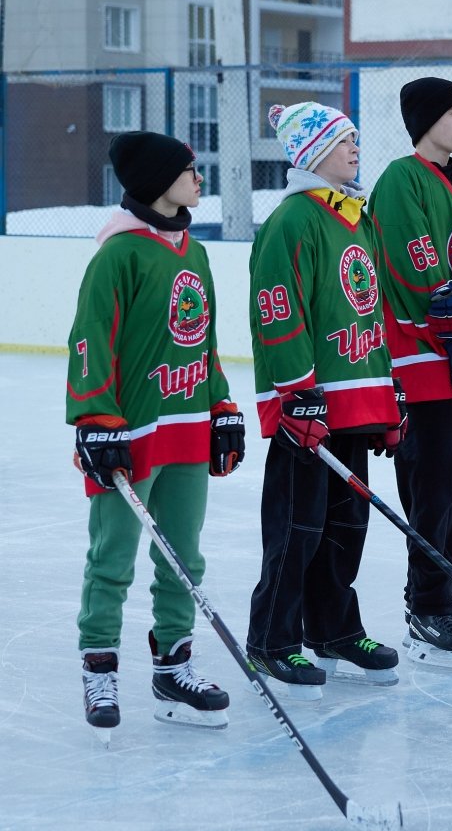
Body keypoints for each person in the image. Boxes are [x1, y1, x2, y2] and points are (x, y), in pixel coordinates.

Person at [68, 131, 242, 737]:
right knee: (112, 556)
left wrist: (220, 404)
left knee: (182, 556)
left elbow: (204, 339)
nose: (199, 177)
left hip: (188, 427)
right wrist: (95, 420)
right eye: (189, 170)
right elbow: (90, 340)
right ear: (155, 182)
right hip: (129, 433)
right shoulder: (119, 255)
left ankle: (174, 667)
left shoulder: (193, 252)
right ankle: (100, 666)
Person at [246, 102, 405, 699]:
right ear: (312, 152)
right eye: (343, 141)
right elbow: (278, 312)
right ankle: (272, 639)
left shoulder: (356, 217)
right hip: (310, 408)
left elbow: (374, 313)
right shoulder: (293, 220)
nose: (355, 148)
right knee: (298, 526)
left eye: (356, 139)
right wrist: (296, 394)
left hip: (357, 400)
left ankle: (333, 628)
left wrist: (389, 396)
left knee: (347, 523)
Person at [370, 78, 452, 671]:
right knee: (432, 484)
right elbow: (412, 272)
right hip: (420, 363)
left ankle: (440, 590)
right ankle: (426, 604)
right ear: (425, 120)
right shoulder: (401, 181)